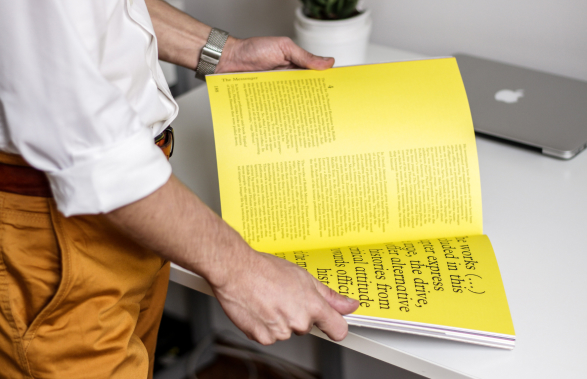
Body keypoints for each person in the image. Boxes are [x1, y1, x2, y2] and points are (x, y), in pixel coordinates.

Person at [0, 0, 359, 378]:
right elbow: (89, 148)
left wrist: (227, 53)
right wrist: (241, 269)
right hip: (58, 220)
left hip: (142, 203)